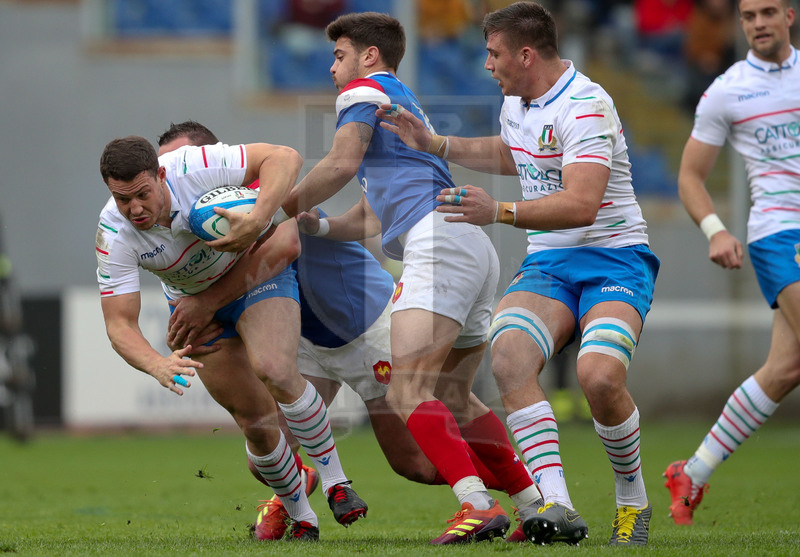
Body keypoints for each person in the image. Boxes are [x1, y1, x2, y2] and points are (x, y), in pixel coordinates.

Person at [158, 120, 542, 543]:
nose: (177, 175)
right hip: (307, 340)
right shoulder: (190, 225)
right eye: (166, 166)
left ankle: (532, 498)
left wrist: (208, 303)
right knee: (267, 445)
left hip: (364, 325)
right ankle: (293, 491)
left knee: (414, 464)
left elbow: (284, 248)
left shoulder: (268, 196)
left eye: (183, 160)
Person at [377, 1, 660, 546]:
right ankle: (558, 506)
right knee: (508, 359)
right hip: (549, 264)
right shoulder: (518, 103)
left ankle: (632, 498)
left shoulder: (586, 104)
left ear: (526, 54)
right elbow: (515, 154)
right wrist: (437, 144)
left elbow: (581, 203)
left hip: (614, 258)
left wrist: (499, 211)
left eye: (494, 53)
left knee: (599, 377)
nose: (487, 64)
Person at [268, 11, 544, 545]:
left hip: (440, 246)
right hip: (469, 247)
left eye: (339, 55)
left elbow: (340, 163)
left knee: (407, 388)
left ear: (369, 57)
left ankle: (477, 504)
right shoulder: (399, 103)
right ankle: (535, 505)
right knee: (457, 398)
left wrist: (272, 206)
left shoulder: (363, 93)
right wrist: (318, 223)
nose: (332, 68)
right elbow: (372, 216)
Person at [95, 135, 367, 542]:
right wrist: (157, 364)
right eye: (121, 199)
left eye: (142, 194)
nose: (134, 208)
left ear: (161, 174)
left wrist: (259, 217)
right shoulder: (113, 233)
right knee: (256, 423)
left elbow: (285, 157)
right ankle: (303, 519)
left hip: (254, 278)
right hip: (192, 308)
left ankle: (336, 483)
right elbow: (119, 325)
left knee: (274, 369)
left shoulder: (194, 167)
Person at [665, 0, 800, 526]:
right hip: (778, 235)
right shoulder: (727, 89)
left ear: (790, 15)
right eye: (749, 15)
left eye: (769, 11)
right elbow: (690, 176)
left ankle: (693, 471)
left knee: (786, 368)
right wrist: (716, 230)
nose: (759, 22)